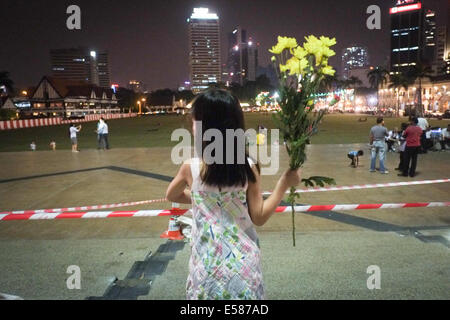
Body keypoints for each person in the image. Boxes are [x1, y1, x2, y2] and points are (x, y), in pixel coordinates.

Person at [165, 89, 301, 300]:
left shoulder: (189, 168)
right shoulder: (248, 167)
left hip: (206, 268)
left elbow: (172, 195)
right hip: (243, 268)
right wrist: (284, 183)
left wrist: (199, 198)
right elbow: (259, 217)